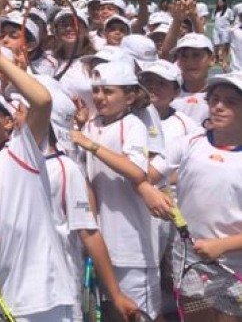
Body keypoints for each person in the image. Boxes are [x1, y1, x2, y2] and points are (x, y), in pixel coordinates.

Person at [0, 25, 77, 321]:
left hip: (43, 300)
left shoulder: (20, 151)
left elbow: (42, 101)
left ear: (10, 122)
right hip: (8, 301)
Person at [143, 72, 242, 322]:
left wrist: (221, 246)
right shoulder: (189, 143)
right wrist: (149, 191)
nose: (218, 107)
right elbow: (144, 176)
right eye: (215, 99)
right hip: (189, 261)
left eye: (230, 102)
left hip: (234, 266)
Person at [71, 61, 161, 320]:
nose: (99, 97)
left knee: (139, 316)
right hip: (101, 245)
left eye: (108, 92)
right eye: (97, 91)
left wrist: (91, 145)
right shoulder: (91, 124)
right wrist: (83, 131)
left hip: (133, 248)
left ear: (130, 96)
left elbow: (137, 172)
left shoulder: (134, 125)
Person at [211, 0, 234, 71]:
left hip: (225, 30)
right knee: (216, 45)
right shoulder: (215, 11)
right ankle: (216, 59)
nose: (219, 3)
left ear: (224, 3)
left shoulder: (229, 11)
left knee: (225, 46)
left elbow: (231, 20)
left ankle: (224, 61)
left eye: (221, 2)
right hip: (216, 30)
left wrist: (230, 29)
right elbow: (213, 19)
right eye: (218, 2)